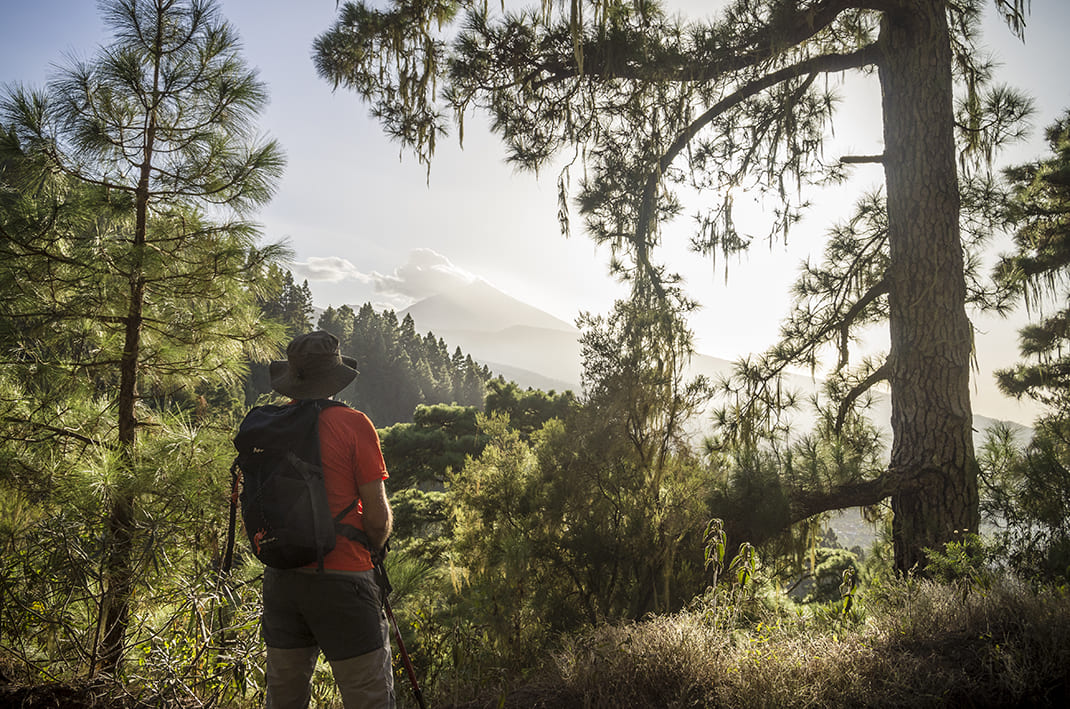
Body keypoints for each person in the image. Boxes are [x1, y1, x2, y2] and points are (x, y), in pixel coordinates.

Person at [262, 330, 395, 708]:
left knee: (284, 697)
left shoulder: (269, 427)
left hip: (282, 579)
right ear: (335, 380)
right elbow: (377, 517)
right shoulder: (354, 424)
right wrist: (377, 545)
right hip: (343, 580)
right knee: (368, 695)